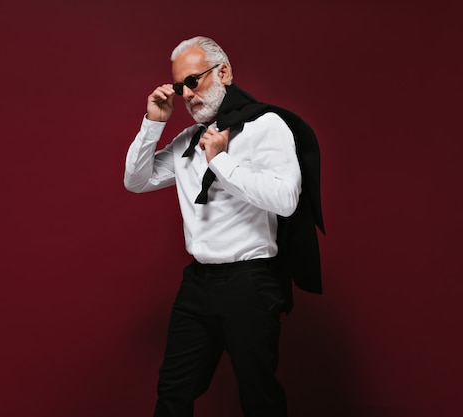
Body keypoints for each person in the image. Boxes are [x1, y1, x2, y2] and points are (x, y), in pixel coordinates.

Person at [124, 36, 325, 417]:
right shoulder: (188, 141)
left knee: (258, 396)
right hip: (198, 284)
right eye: (181, 86)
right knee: (172, 393)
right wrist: (153, 124)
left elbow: (286, 200)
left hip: (250, 283)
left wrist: (221, 161)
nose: (187, 94)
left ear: (224, 73)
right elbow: (136, 180)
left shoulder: (266, 126)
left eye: (194, 81)